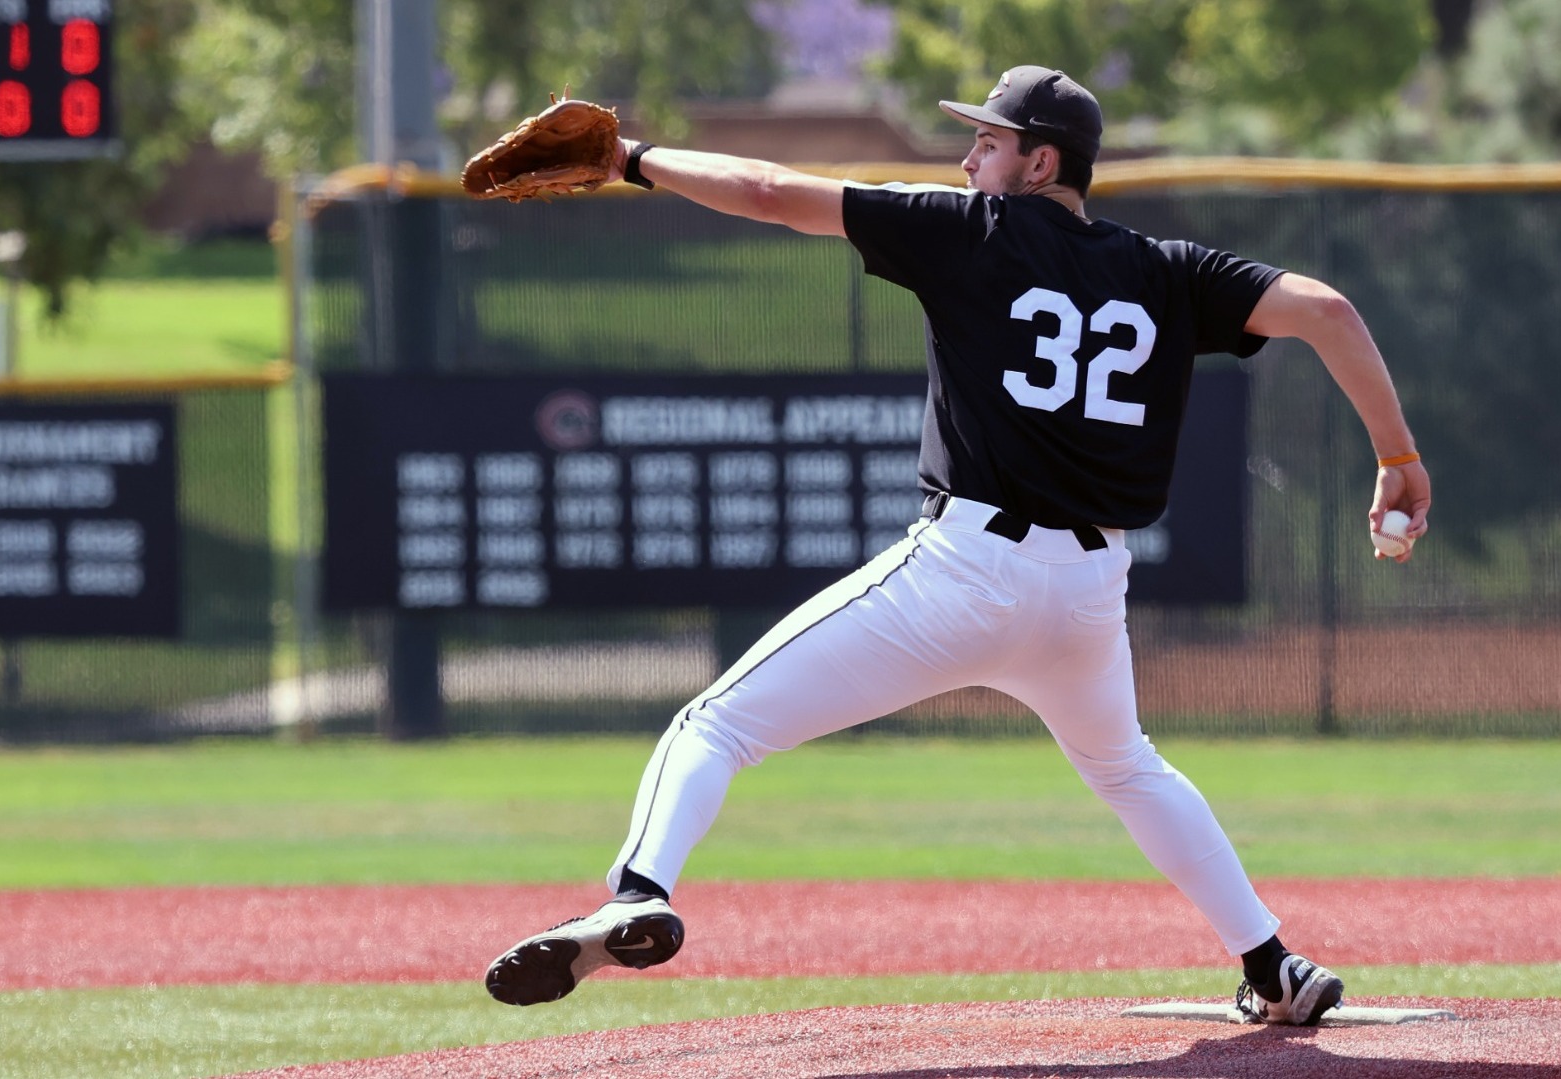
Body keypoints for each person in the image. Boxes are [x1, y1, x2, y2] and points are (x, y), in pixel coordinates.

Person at [484, 65, 1432, 1026]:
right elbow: (1328, 312)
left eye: (988, 141)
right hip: (1088, 592)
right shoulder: (1166, 270)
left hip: (965, 572)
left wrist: (632, 158)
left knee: (716, 726)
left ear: (1040, 161)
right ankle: (1269, 964)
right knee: (1129, 770)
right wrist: (1394, 454)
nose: (969, 155)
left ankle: (639, 891)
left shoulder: (967, 230)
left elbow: (771, 191)